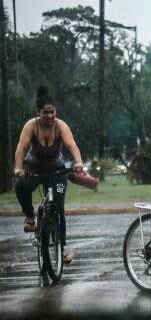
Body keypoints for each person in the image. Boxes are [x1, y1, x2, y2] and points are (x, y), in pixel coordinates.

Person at [14, 86, 84, 264]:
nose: (50, 116)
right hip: (34, 166)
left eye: (53, 112)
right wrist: (18, 167)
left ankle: (61, 248)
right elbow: (21, 148)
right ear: (38, 112)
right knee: (21, 184)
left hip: (56, 169)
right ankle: (30, 216)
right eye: (46, 113)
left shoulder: (61, 126)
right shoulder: (31, 126)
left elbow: (72, 146)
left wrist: (78, 162)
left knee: (58, 207)